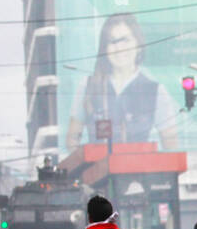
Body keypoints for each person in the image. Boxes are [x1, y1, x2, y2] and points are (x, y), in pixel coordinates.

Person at [65, 13, 180, 151]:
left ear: (138, 44)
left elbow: (171, 143)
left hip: (141, 170)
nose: (119, 48)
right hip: (96, 171)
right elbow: (72, 139)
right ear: (105, 48)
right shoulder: (88, 86)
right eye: (112, 41)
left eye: (125, 40)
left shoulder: (155, 91)